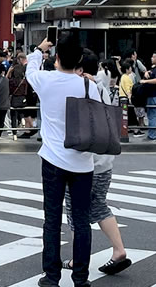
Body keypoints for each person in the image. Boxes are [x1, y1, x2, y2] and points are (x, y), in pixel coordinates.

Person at [26, 31, 100, 287]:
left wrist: (39, 49)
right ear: (80, 58)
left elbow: (29, 69)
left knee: (52, 219)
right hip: (83, 162)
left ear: (57, 57)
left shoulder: (46, 80)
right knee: (81, 221)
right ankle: (81, 277)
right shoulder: (89, 85)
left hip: (53, 159)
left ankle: (51, 276)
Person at [63, 49, 132, 276]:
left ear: (80, 69)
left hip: (84, 162)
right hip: (105, 160)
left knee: (74, 209)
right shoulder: (100, 87)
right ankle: (119, 249)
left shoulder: (81, 87)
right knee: (99, 205)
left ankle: (77, 258)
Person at [7, 52, 28, 140]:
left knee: (13, 115)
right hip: (23, 97)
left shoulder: (12, 81)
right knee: (21, 111)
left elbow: (6, 80)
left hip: (14, 97)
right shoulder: (24, 79)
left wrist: (9, 72)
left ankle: (14, 133)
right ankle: (22, 119)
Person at [119, 60, 141, 136]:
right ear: (127, 69)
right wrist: (130, 99)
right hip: (126, 99)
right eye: (130, 68)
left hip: (122, 98)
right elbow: (128, 89)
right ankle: (135, 130)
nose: (131, 69)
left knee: (126, 115)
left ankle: (128, 129)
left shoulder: (123, 77)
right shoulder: (127, 78)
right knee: (132, 115)